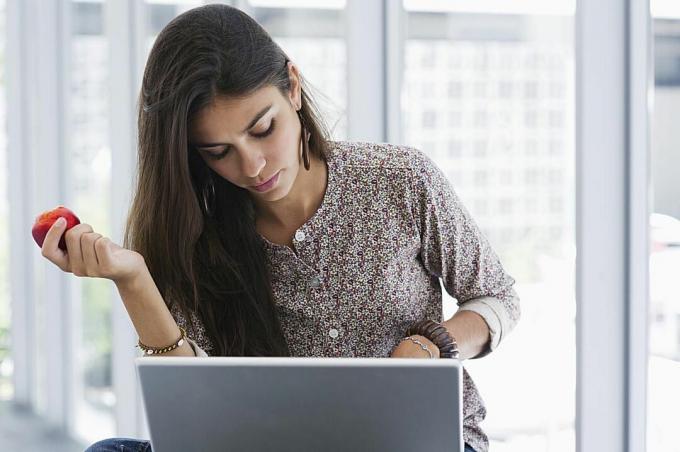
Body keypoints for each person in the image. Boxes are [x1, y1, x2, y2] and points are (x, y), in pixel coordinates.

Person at [39, 5, 520, 452]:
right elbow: (196, 420)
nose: (252, 166)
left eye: (262, 129)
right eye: (218, 152)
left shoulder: (399, 180)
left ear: (292, 85)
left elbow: (497, 299)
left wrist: (430, 346)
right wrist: (133, 278)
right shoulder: (193, 235)